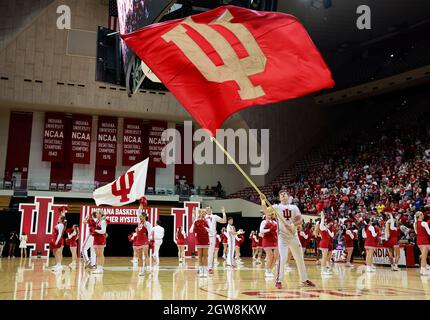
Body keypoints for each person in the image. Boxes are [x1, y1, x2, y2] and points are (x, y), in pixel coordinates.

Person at [261, 190, 315, 288]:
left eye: (284, 194)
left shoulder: (294, 207)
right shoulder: (277, 207)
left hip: (293, 235)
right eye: (281, 194)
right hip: (282, 237)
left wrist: (293, 225)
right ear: (279, 198)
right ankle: (278, 280)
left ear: (288, 196)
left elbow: (300, 219)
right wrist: (263, 200)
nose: (282, 195)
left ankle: (304, 279)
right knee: (283, 257)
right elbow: (265, 210)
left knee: (299, 258)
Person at [205, 206, 227, 274]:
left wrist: (223, 212)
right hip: (204, 236)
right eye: (206, 209)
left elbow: (224, 221)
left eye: (209, 208)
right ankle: (202, 267)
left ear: (211, 209)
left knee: (211, 252)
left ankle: (209, 268)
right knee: (203, 252)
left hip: (212, 236)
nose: (207, 209)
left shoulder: (214, 216)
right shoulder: (203, 217)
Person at [190, 208, 210, 277]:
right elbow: (192, 226)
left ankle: (205, 271)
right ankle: (201, 271)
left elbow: (210, 229)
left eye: (205, 212)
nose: (204, 213)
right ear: (200, 213)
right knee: (200, 256)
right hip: (199, 239)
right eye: (203, 212)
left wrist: (208, 229)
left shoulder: (207, 219)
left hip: (206, 239)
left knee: (205, 256)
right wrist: (193, 214)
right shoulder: (197, 220)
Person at [134, 198, 152, 276]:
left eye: (141, 216)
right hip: (138, 241)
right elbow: (138, 211)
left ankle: (148, 267)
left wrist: (149, 240)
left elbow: (150, 232)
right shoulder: (139, 222)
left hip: (144, 241)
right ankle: (141, 270)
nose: (139, 217)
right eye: (139, 216)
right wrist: (141, 204)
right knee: (139, 256)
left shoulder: (147, 223)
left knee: (146, 254)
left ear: (144, 216)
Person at [259, 207, 278, 278]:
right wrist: (269, 229)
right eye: (268, 215)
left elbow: (278, 231)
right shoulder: (263, 222)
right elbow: (261, 231)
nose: (269, 216)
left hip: (274, 240)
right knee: (270, 255)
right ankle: (267, 270)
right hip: (267, 240)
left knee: (276, 256)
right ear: (265, 215)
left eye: (270, 215)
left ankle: (270, 269)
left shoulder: (275, 222)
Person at [92, 210, 108, 274]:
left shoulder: (103, 221)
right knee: (97, 254)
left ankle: (100, 268)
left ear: (100, 214)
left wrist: (95, 230)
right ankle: (99, 268)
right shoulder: (97, 221)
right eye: (96, 213)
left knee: (100, 254)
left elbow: (103, 231)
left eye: (97, 213)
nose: (96, 214)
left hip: (100, 239)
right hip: (96, 239)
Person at [414, 211, 430, 276]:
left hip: (419, 241)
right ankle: (423, 270)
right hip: (424, 241)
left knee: (423, 256)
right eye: (422, 214)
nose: (423, 215)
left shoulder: (415, 223)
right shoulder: (424, 223)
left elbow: (416, 233)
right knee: (424, 257)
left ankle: (423, 269)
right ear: (420, 215)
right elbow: (429, 233)